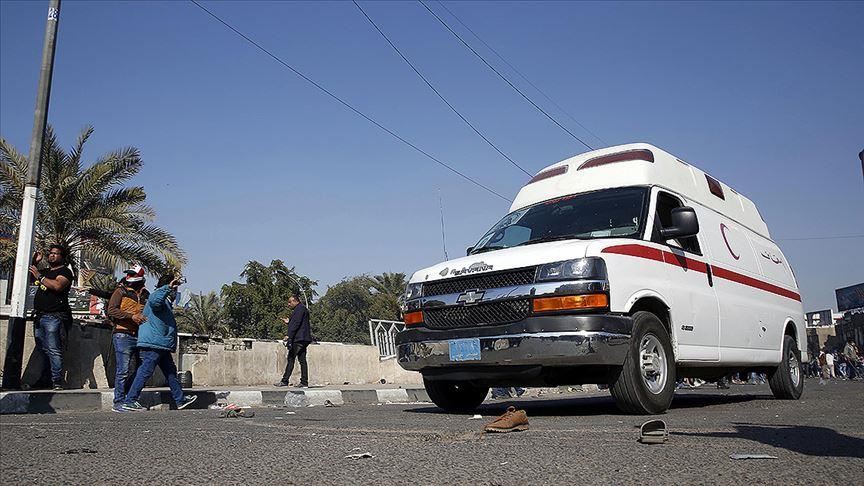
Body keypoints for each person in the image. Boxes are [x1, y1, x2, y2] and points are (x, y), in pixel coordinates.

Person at [121, 274, 196, 411]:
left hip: (161, 344)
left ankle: (180, 399)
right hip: (153, 343)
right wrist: (167, 287)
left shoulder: (165, 302)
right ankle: (130, 400)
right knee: (145, 371)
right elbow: (155, 300)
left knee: (170, 372)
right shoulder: (158, 298)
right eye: (174, 288)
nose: (175, 292)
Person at [29, 245, 74, 390]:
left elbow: (57, 286)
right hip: (40, 316)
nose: (52, 256)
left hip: (54, 317)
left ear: (62, 256)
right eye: (50, 253)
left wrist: (40, 277)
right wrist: (34, 262)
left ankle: (56, 381)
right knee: (43, 350)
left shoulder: (65, 272)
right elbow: (29, 276)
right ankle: (45, 379)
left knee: (54, 349)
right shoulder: (46, 271)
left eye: (56, 254)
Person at [106, 266, 149, 412]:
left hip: (139, 336)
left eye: (132, 274)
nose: (129, 277)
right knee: (122, 370)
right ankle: (118, 401)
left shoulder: (145, 294)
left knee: (141, 369)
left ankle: (129, 398)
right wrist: (131, 316)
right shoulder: (120, 291)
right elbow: (112, 310)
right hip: (122, 334)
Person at [275, 295, 312, 388]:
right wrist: (289, 322)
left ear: (295, 301)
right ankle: (304, 382)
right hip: (304, 338)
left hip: (299, 339)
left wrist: (289, 335)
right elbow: (297, 322)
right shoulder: (302, 309)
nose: (288, 304)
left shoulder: (299, 310)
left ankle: (285, 381)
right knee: (302, 360)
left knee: (291, 358)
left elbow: (296, 324)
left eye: (290, 302)